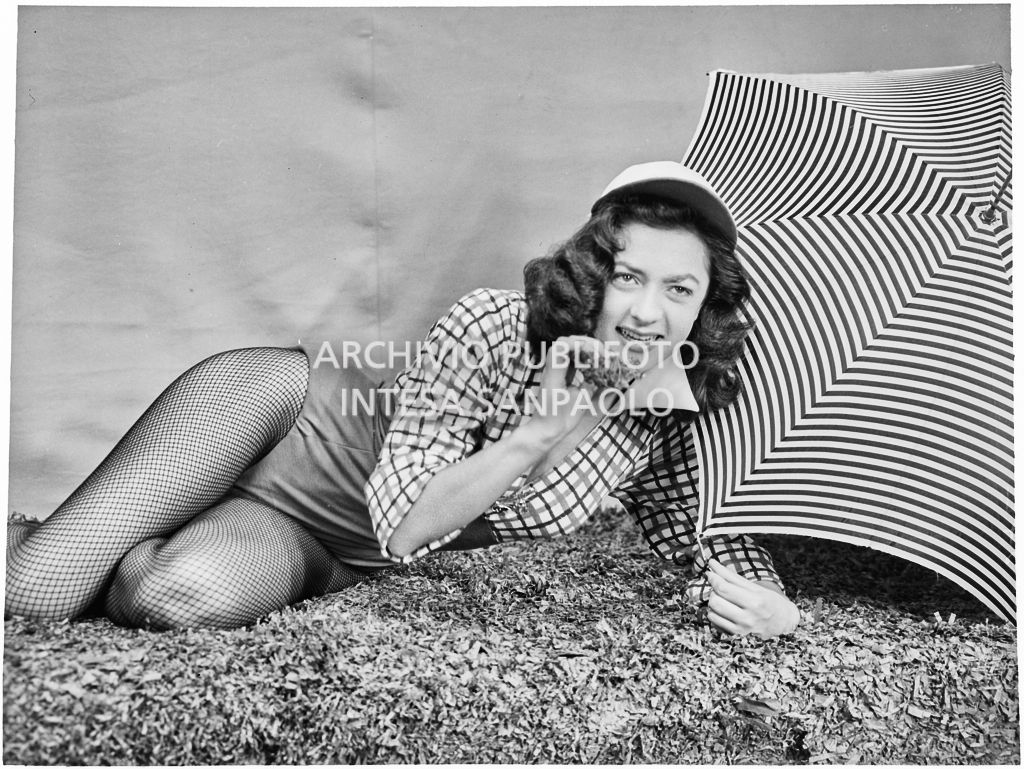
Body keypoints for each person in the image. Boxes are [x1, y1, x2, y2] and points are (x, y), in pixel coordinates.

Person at [6, 161, 801, 637]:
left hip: (329, 543)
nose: (645, 309)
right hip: (284, 411)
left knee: (167, 597)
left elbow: (710, 538)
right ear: (594, 271)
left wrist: (778, 612)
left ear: (705, 306)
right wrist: (533, 435)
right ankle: (163, 497)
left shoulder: (657, 426)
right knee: (31, 595)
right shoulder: (493, 324)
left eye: (679, 288)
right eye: (629, 275)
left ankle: (164, 522)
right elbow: (408, 513)